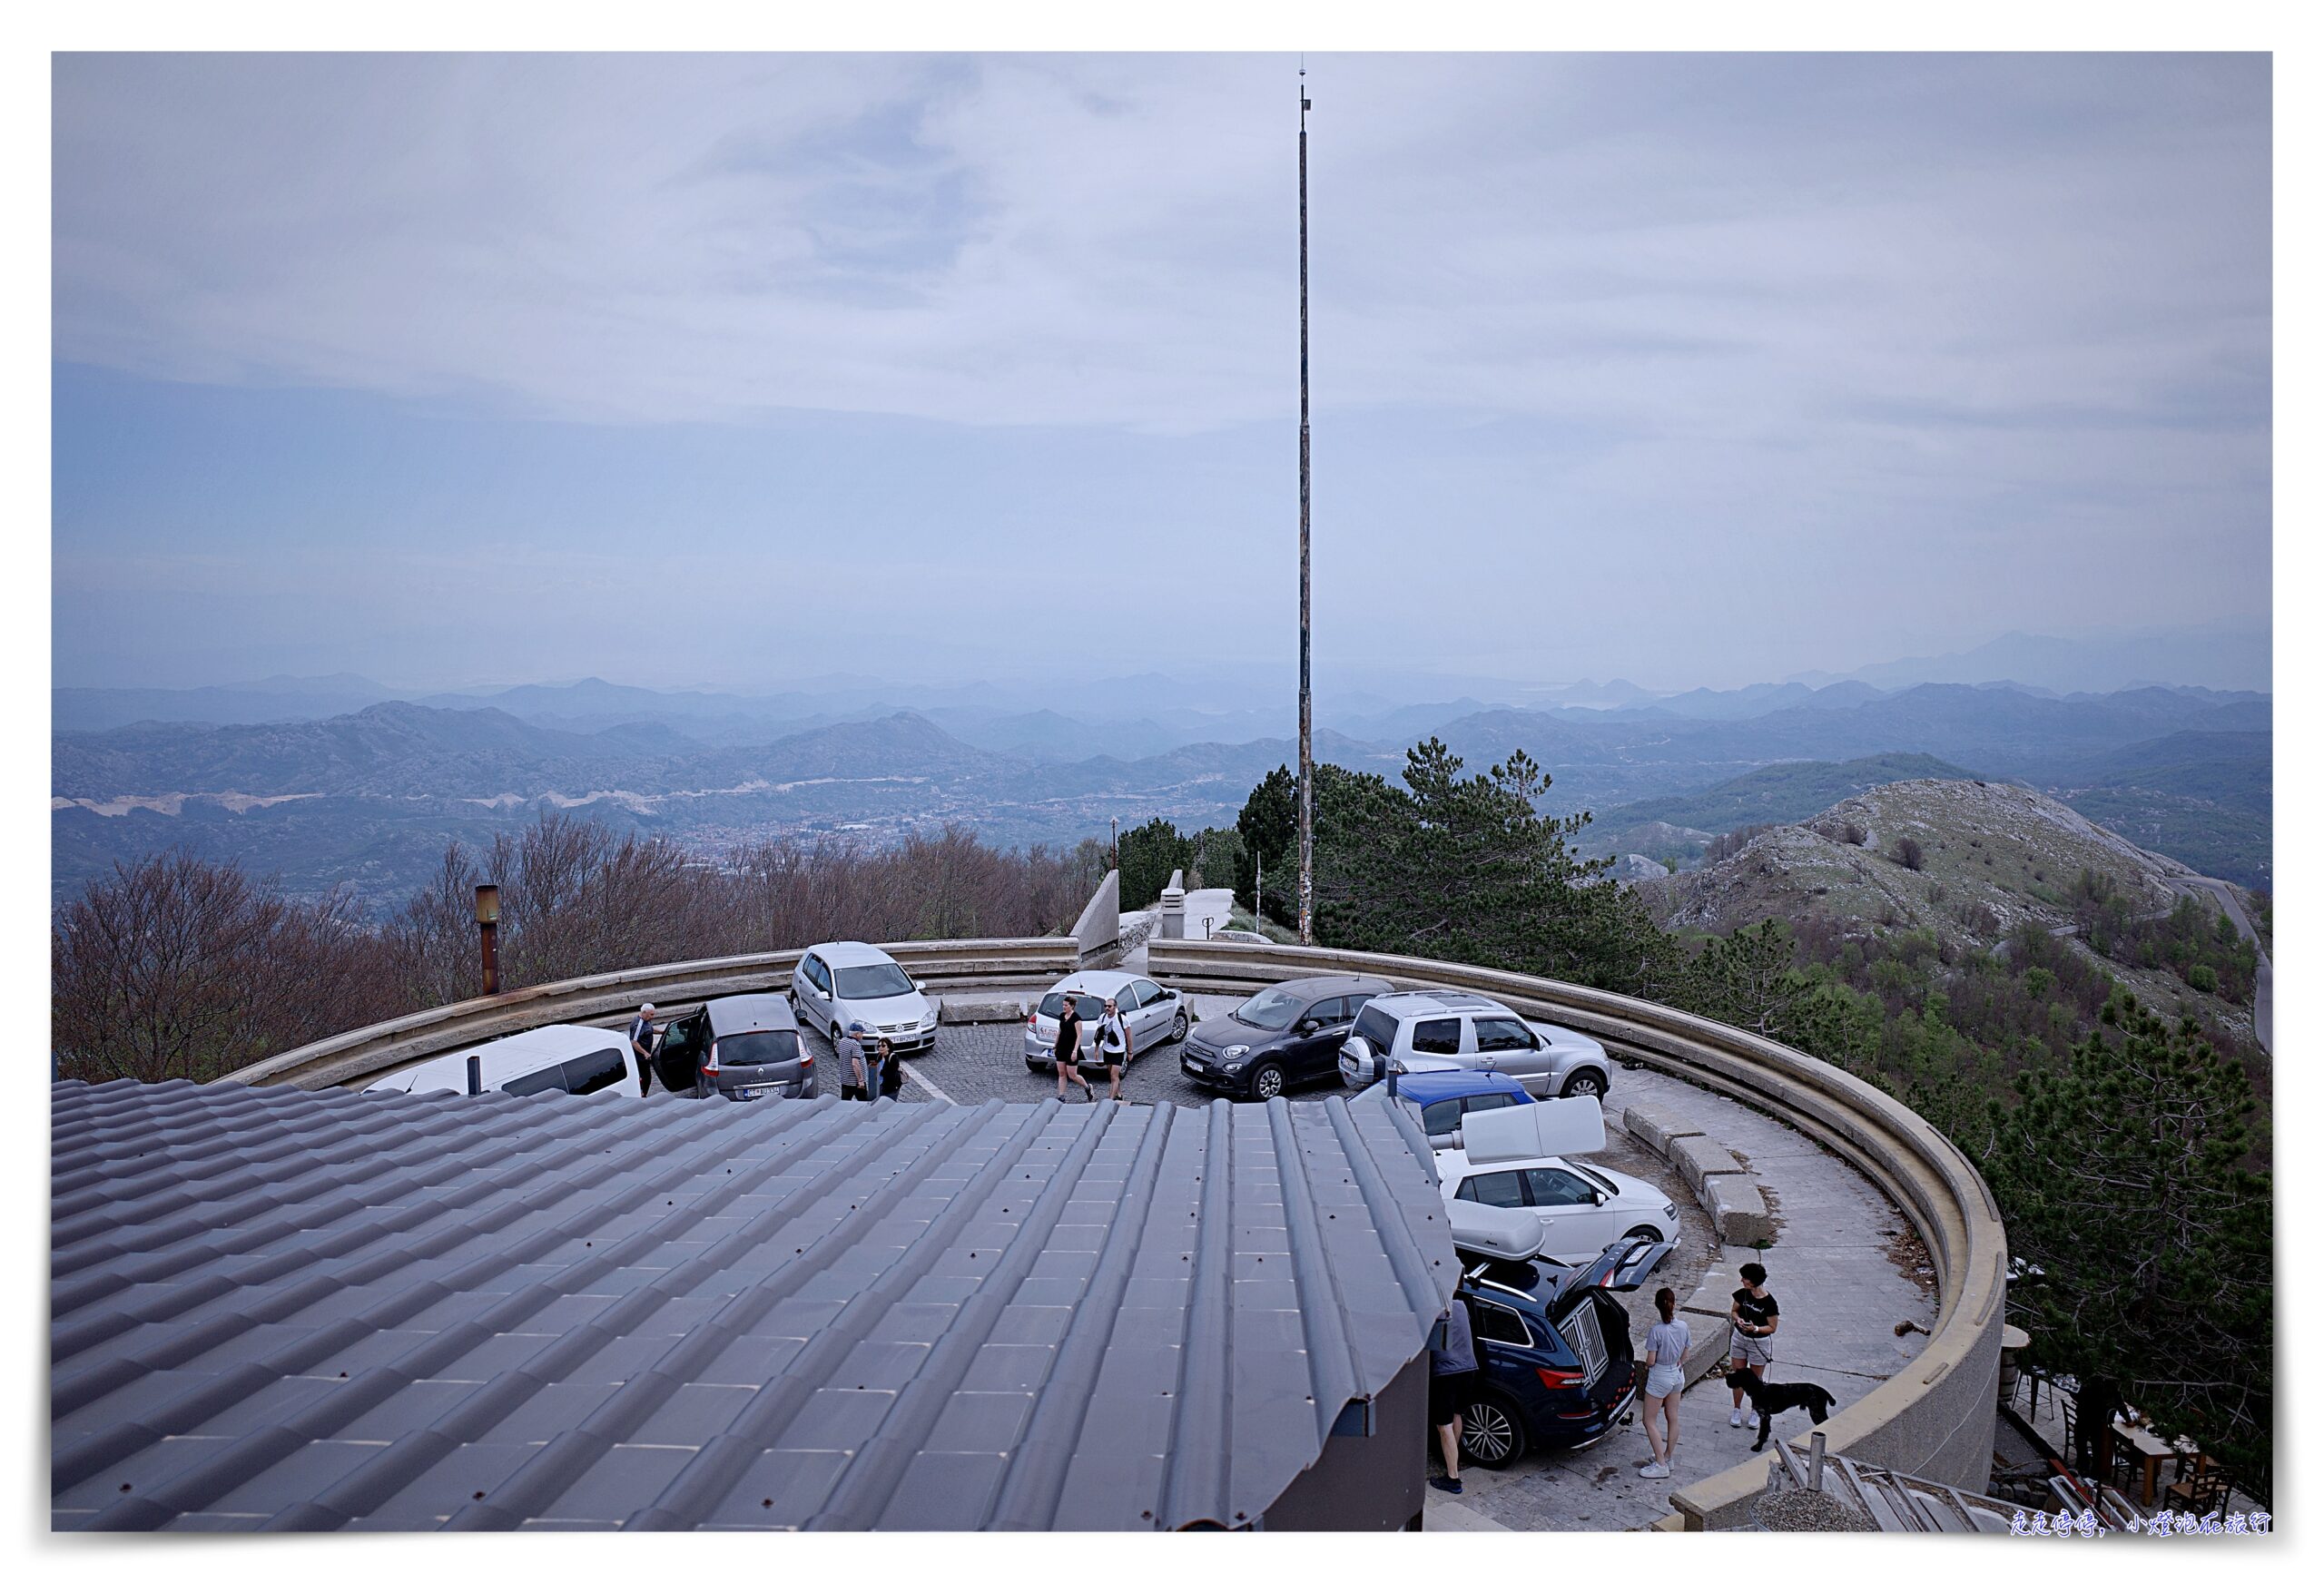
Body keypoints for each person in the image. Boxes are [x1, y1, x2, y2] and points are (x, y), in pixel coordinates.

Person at [1638, 1285, 1690, 1479]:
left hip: (1660, 1375)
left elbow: (1651, 1360)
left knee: (1649, 1420)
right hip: (1677, 1374)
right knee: (1673, 1416)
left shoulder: (1656, 1331)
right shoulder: (1683, 1326)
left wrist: (1646, 1366)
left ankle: (1660, 1464)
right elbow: (1686, 1353)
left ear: (1657, 1306)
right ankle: (1668, 1456)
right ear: (1674, 1304)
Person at [1427, 1296, 1478, 1496]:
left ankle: (1453, 1478)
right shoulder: (1461, 1306)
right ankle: (1450, 1456)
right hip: (1469, 1368)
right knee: (1457, 1415)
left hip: (1446, 1372)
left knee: (1443, 1425)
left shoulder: (1433, 1308)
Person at [1728, 1262, 1780, 1429]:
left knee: (1756, 1380)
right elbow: (1734, 1311)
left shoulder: (1769, 1303)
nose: (1742, 1280)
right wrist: (1738, 1320)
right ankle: (1736, 1409)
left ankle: (1755, 1411)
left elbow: (1772, 1327)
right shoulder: (1742, 1294)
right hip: (1739, 1338)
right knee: (1739, 1375)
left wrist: (1755, 1328)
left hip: (1758, 1343)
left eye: (1745, 1278)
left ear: (1754, 1281)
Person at [1052, 991, 1094, 1102]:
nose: (1064, 1007)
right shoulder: (1062, 1016)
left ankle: (1087, 1087)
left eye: (1066, 1005)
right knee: (1061, 1073)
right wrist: (1055, 1045)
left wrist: (1075, 1051)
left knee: (1072, 1075)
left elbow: (1079, 1035)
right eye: (1063, 1005)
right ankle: (1061, 1096)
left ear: (1072, 1006)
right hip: (1061, 1048)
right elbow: (1059, 1031)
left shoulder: (1077, 1018)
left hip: (1071, 1049)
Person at [1094, 996, 1134, 1101]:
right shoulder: (1102, 1018)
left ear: (1115, 1007)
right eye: (1105, 1006)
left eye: (1110, 1006)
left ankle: (1110, 1099)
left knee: (1114, 1076)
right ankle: (1119, 1093)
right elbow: (1098, 1035)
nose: (1107, 1008)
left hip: (1119, 1051)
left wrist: (1130, 1052)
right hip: (1107, 1050)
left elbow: (1129, 1037)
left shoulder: (1122, 1019)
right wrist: (1097, 1050)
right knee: (1112, 1075)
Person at [628, 1004, 658, 1094]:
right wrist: (645, 1053)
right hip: (640, 1058)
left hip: (644, 1057)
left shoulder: (646, 1020)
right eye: (651, 1014)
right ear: (644, 1012)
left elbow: (650, 1030)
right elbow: (634, 1042)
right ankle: (642, 1094)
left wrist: (663, 1032)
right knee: (645, 1078)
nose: (652, 1017)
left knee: (647, 1078)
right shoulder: (638, 1025)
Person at [837, 1021, 872, 1102]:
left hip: (845, 1080)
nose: (862, 1035)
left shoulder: (842, 1041)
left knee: (845, 1102)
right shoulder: (855, 1044)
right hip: (855, 1082)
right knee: (864, 1102)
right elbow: (855, 1064)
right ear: (857, 1034)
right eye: (862, 1033)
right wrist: (861, 1080)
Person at [876, 1036, 902, 1100]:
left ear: (888, 1047)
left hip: (890, 1088)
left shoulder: (893, 1057)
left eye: (883, 1046)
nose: (880, 1047)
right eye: (879, 1046)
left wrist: (880, 1072)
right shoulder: (878, 1056)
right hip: (880, 1085)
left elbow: (892, 1073)